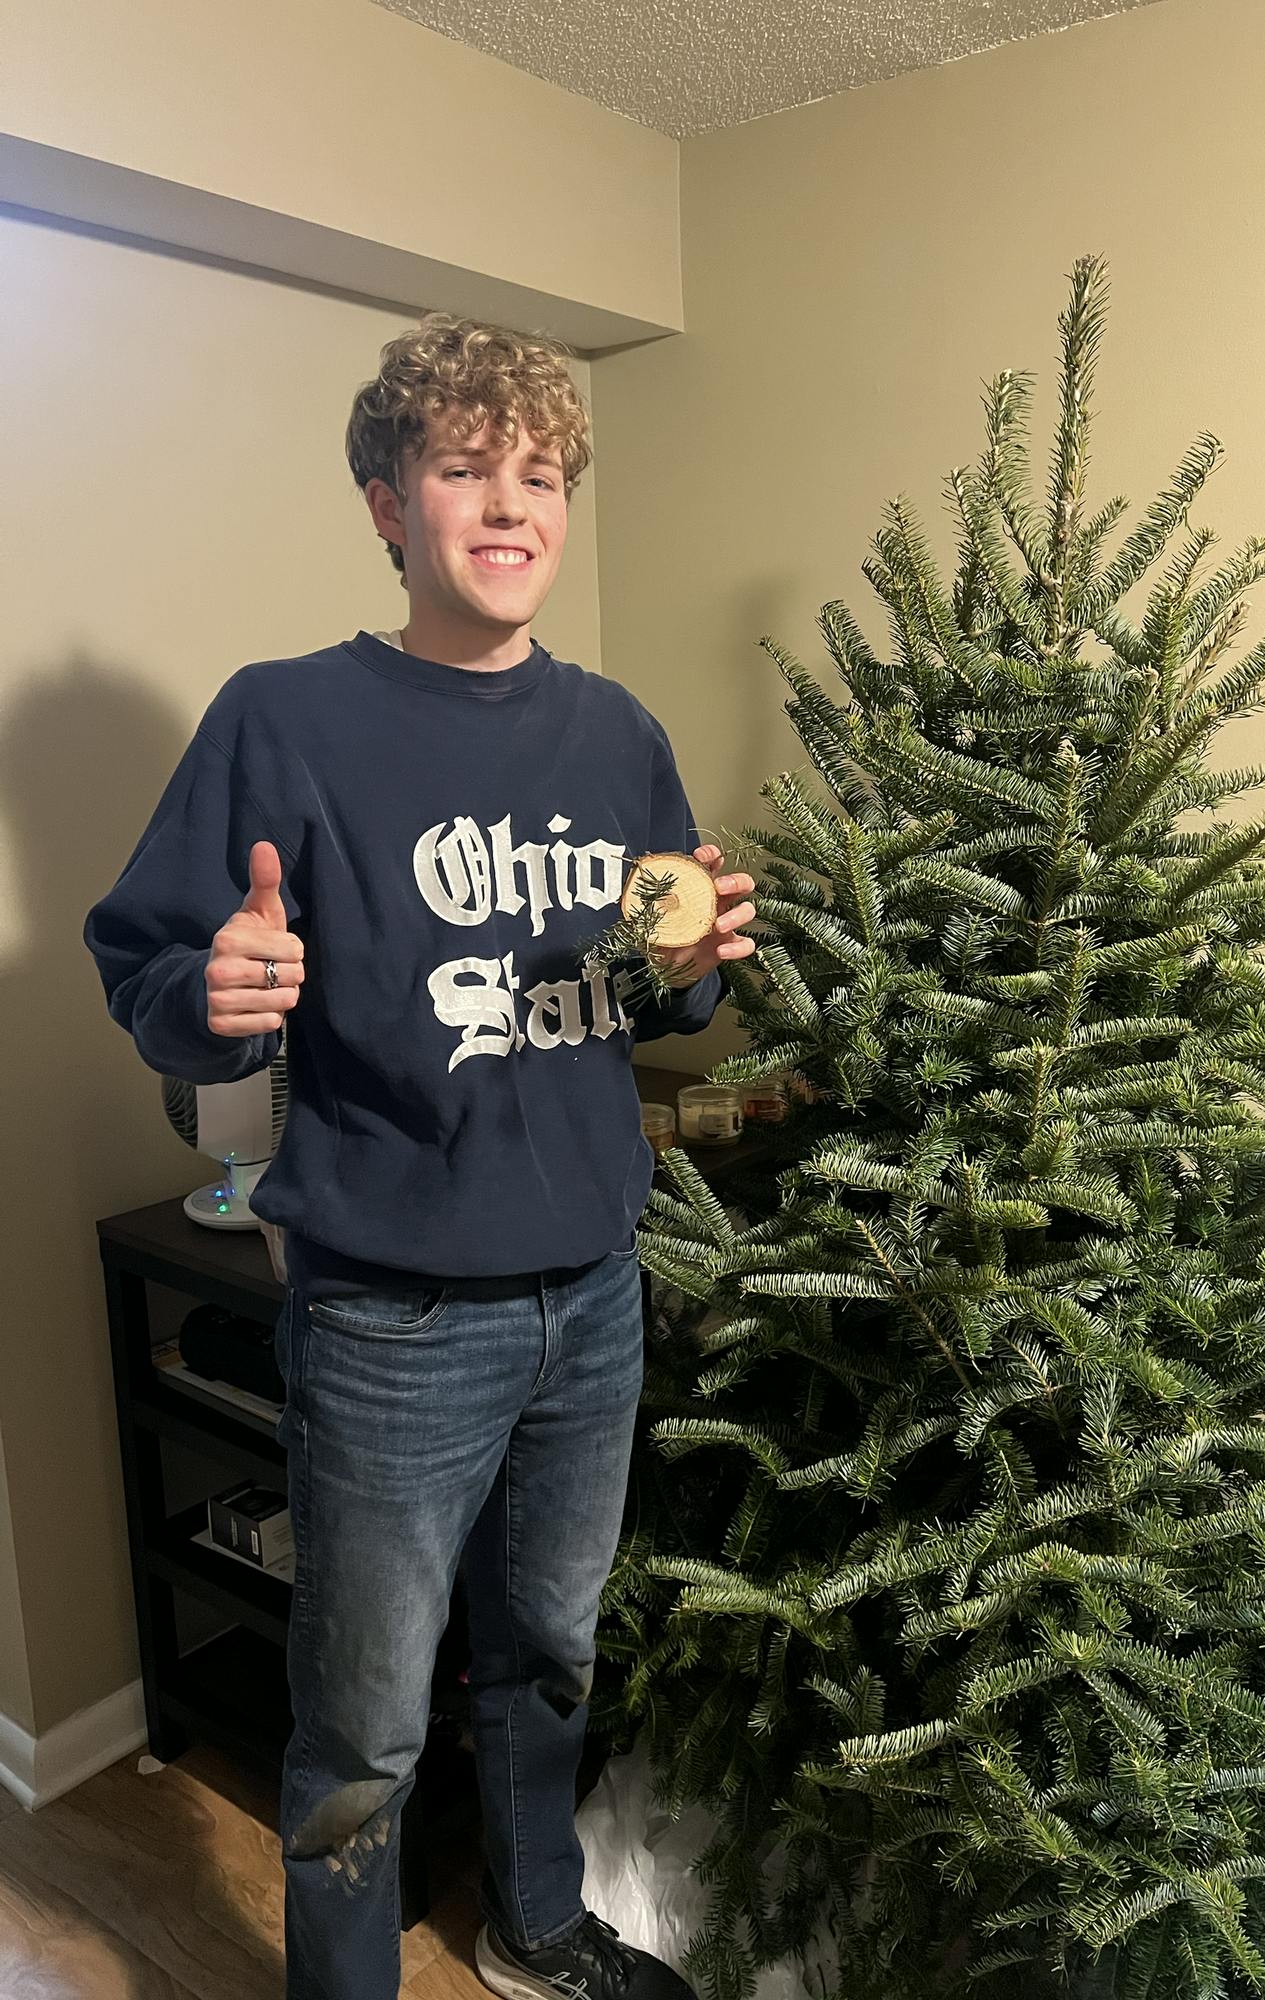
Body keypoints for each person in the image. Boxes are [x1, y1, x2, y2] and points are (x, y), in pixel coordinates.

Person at [83, 313, 757, 2000]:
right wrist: (215, 994)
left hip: (593, 1288)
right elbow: (155, 968)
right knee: (366, 1728)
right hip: (391, 1318)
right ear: (392, 503)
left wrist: (698, 960)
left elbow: (652, 969)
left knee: (546, 1653)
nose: (509, 504)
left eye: (540, 475)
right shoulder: (288, 718)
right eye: (465, 469)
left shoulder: (616, 734)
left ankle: (533, 1928)